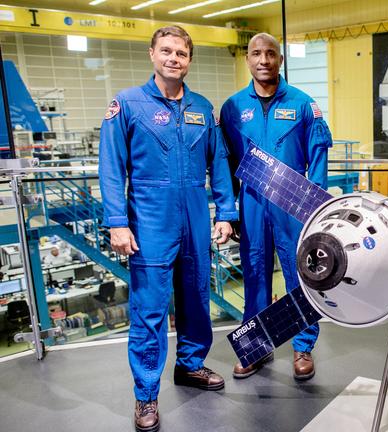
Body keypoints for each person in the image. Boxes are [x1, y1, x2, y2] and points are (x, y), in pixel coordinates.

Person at [99, 25, 237, 432]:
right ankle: (146, 395)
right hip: (149, 221)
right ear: (152, 54)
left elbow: (220, 165)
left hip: (195, 215)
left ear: (189, 60)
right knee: (150, 310)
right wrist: (117, 222)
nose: (173, 58)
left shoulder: (201, 108)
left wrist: (225, 213)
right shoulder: (127, 104)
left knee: (196, 296)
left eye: (181, 52)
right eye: (166, 51)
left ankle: (190, 365)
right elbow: (111, 169)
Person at [220, 33, 332, 381]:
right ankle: (255, 346)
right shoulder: (233, 107)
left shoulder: (302, 104)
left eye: (270, 54)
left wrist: (315, 205)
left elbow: (318, 155)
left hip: (293, 203)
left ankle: (302, 347)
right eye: (256, 53)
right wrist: (229, 210)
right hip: (252, 201)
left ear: (280, 60)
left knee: (302, 275)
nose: (264, 60)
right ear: (248, 59)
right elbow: (224, 162)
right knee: (254, 276)